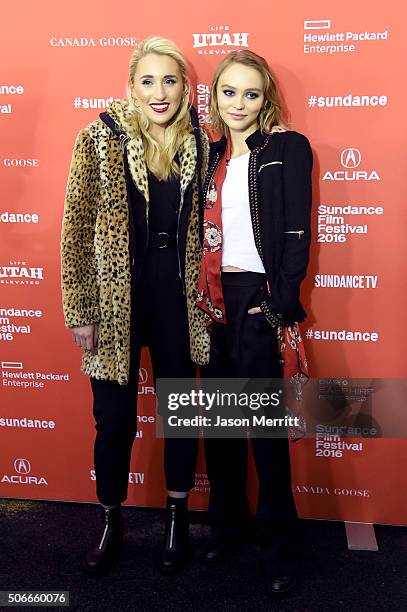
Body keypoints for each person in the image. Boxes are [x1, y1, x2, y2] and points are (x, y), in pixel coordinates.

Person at [61, 36, 210, 575]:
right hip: (114, 302)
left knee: (179, 414)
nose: (159, 92)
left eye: (169, 80)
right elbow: (75, 230)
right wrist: (80, 309)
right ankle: (110, 519)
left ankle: (176, 517)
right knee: (114, 420)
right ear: (131, 87)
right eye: (148, 80)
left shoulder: (203, 141)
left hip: (178, 301)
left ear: (185, 87)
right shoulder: (97, 138)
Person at [197, 50, 312, 595]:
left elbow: (295, 235)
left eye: (251, 93)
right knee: (219, 427)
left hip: (259, 296)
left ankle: (280, 547)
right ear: (214, 96)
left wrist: (279, 305)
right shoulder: (207, 155)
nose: (239, 103)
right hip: (212, 297)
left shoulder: (288, 148)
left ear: (266, 98)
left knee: (263, 433)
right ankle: (227, 529)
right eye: (228, 92)